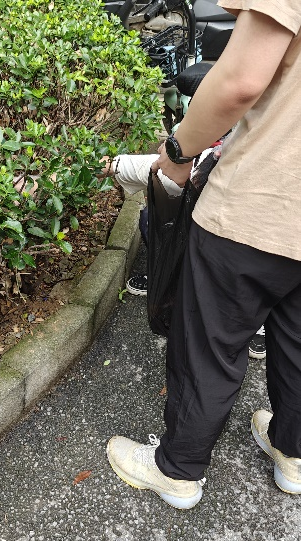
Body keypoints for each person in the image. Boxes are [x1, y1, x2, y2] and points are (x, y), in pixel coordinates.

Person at [107, 1, 301, 509]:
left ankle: (177, 471)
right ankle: (293, 454)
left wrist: (177, 154)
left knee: (210, 345)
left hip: (264, 200)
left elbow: (239, 80)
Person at [103, 147, 266, 360]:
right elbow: (129, 166)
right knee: (151, 217)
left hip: (253, 241)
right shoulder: (198, 168)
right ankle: (166, 277)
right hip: (204, 225)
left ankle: (255, 319)